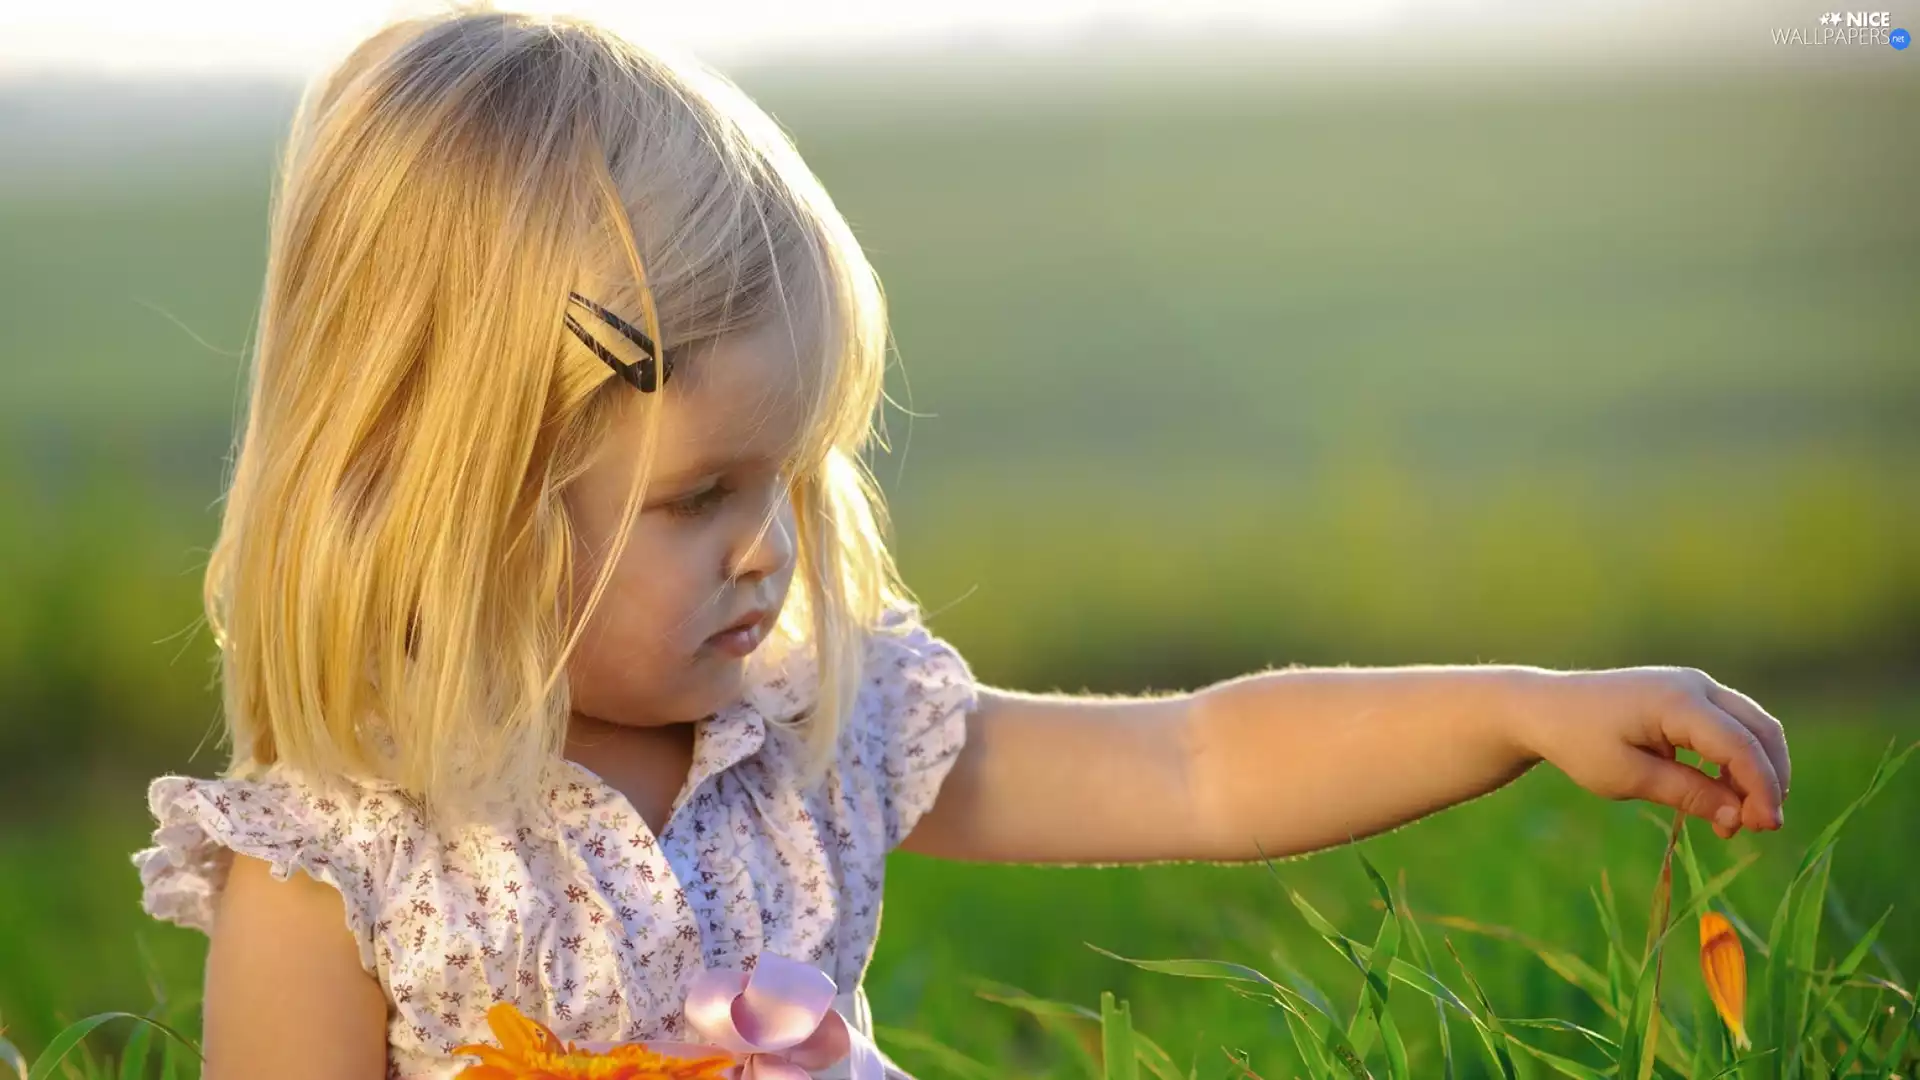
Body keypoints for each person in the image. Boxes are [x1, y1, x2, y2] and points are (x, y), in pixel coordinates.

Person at [130, 10, 1792, 1079]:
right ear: (449, 508)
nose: (767, 548)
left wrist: (1518, 708)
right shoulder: (339, 871)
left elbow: (1197, 766)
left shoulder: (806, 744)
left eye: (787, 476)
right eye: (696, 498)